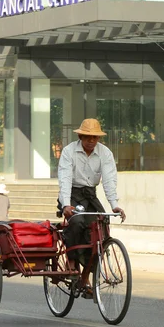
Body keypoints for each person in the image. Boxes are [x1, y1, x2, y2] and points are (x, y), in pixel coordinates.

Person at [58, 118, 126, 295]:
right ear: (80, 136)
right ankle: (72, 261)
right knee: (77, 222)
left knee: (100, 228)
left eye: (95, 137)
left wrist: (114, 205)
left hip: (90, 195)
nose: (91, 141)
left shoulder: (105, 153)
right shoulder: (69, 151)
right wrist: (66, 204)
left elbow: (109, 180)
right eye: (87, 137)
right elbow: (64, 179)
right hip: (71, 194)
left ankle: (86, 275)